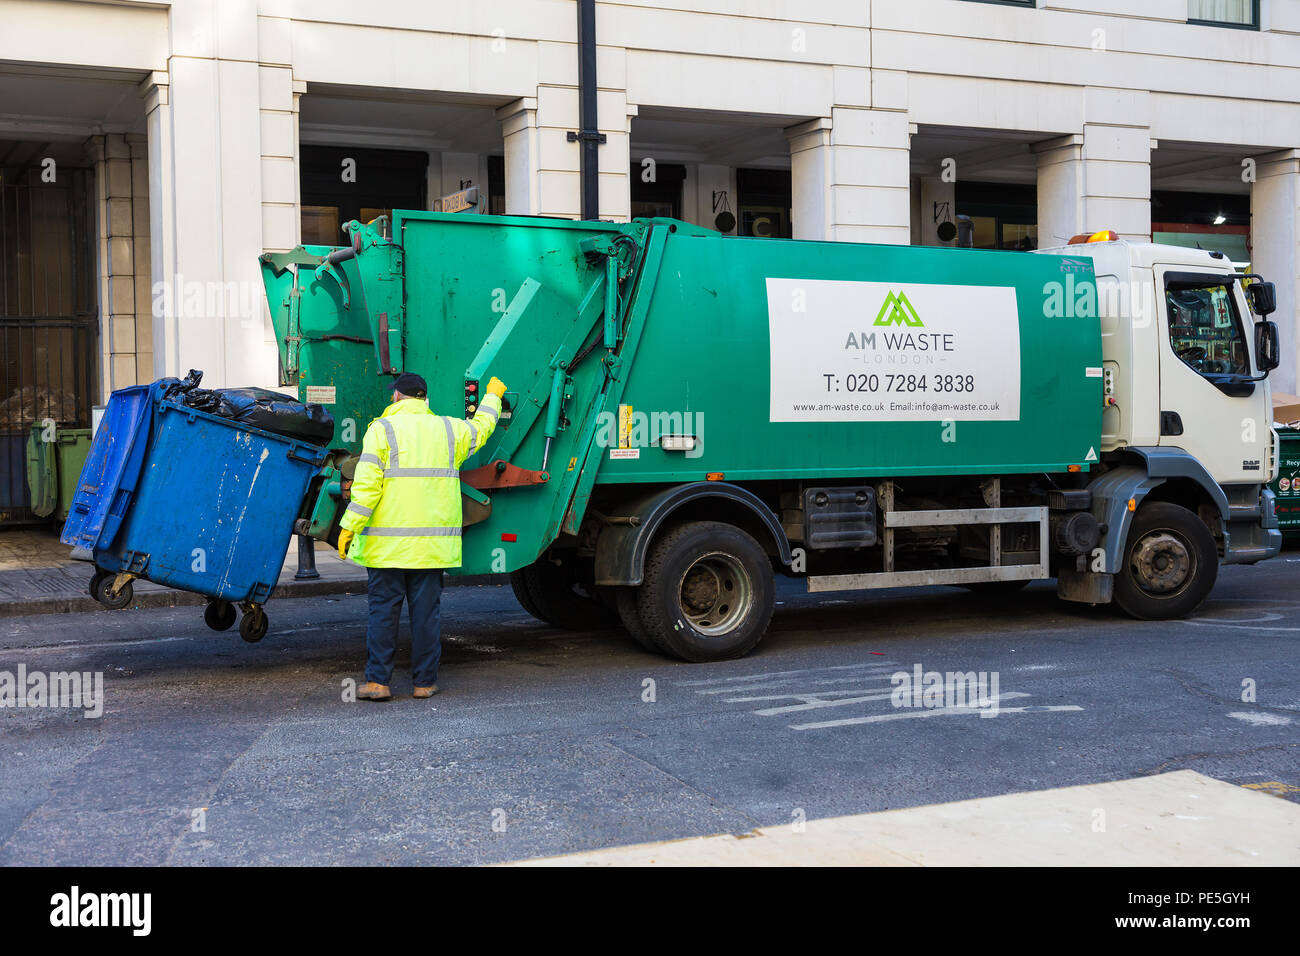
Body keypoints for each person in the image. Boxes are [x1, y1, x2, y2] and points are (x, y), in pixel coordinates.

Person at [337, 371, 507, 701]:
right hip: (430, 548)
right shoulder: (449, 430)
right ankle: (424, 683)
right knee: (426, 616)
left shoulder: (381, 430)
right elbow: (481, 429)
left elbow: (367, 487)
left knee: (383, 612)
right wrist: (493, 397)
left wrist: (349, 527)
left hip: (387, 547)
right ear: (424, 399)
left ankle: (378, 683)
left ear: (398, 397)